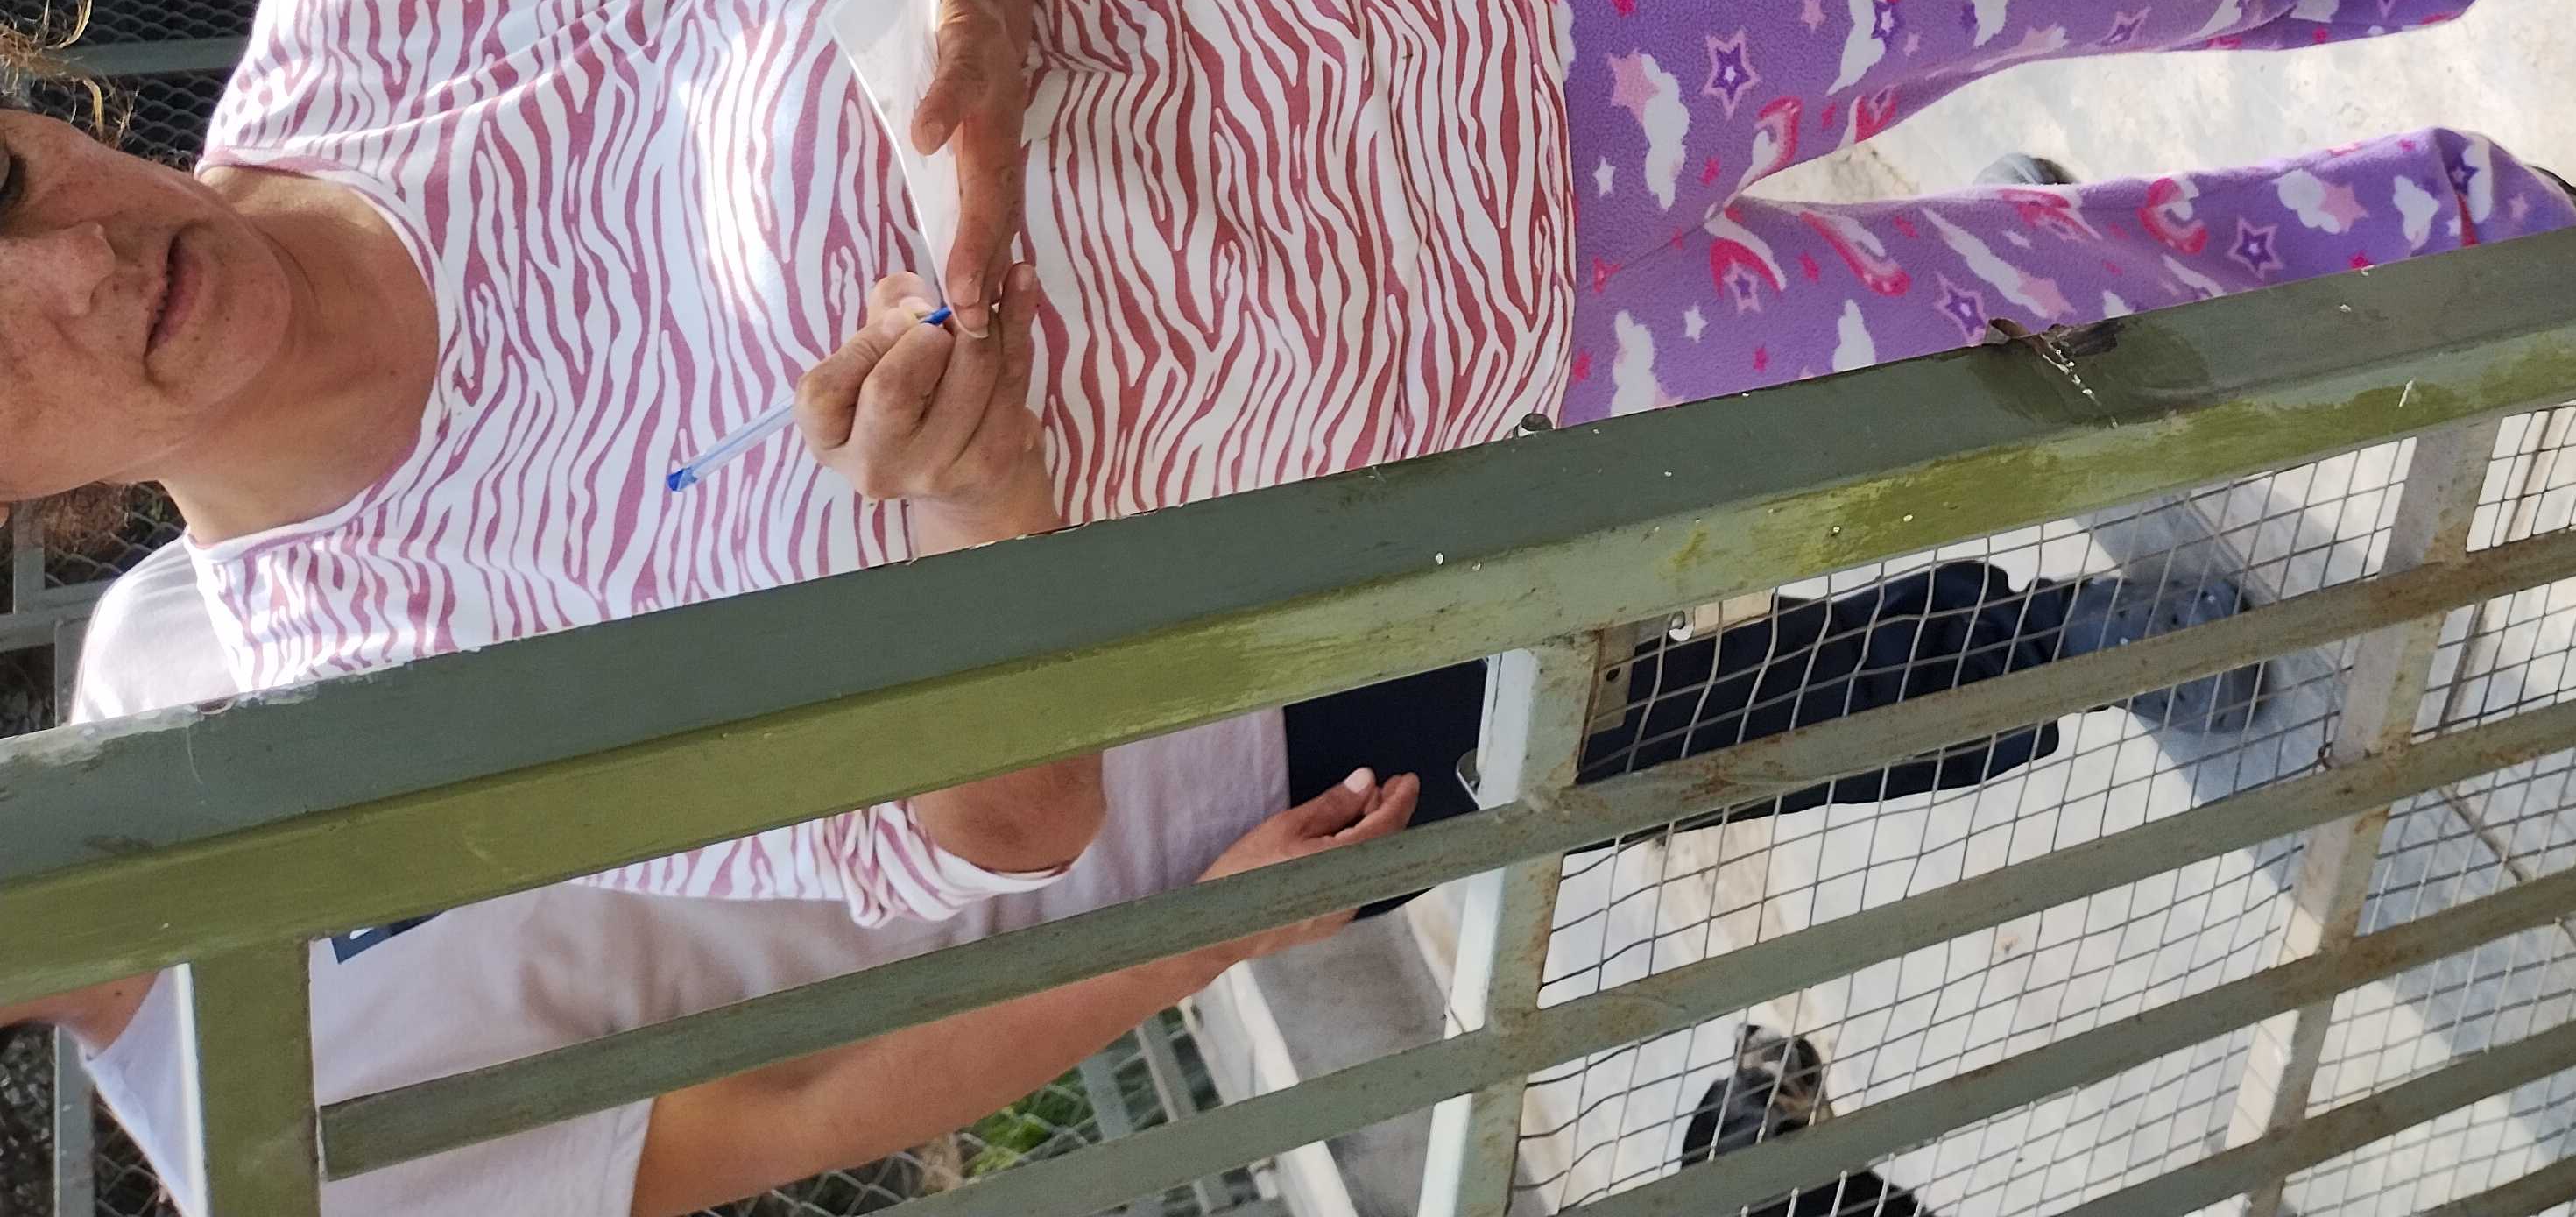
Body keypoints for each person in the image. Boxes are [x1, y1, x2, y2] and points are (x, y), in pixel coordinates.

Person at [0, 0, 2572, 934]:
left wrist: (975, 13)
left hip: (1456, 4)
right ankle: (2547, 255)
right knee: (2099, 345)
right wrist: (981, 513)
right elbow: (989, 836)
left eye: (0, 197)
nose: (82, 280)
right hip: (1498, 394)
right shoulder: (387, 683)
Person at [18, 533, 2229, 1215]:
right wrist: (1210, 932)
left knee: (1601, 467)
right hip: (1155, 827)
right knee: (1648, 733)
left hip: (1078, 549)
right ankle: (2090, 641)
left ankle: (2059, 351)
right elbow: (803, 1107)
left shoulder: (160, 651)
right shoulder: (275, 1159)